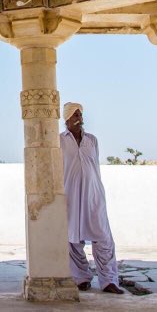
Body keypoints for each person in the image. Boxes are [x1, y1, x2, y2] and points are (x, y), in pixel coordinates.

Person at [60, 101, 123, 294]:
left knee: (103, 236)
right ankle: (81, 278)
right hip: (70, 194)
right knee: (72, 239)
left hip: (93, 193)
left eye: (80, 115)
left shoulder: (92, 140)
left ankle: (109, 280)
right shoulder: (59, 141)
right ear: (67, 119)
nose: (79, 118)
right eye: (75, 115)